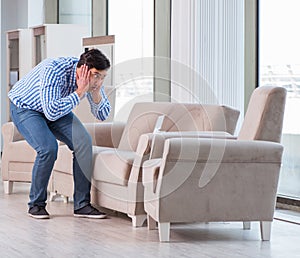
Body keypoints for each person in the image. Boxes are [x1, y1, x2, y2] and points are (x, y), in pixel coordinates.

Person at [8, 49, 111, 219]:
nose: (98, 81)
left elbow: (102, 115)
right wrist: (79, 92)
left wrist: (96, 92)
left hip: (55, 108)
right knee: (48, 148)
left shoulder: (94, 81)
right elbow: (51, 112)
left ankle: (82, 205)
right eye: (96, 76)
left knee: (83, 141)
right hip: (26, 108)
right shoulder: (54, 70)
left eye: (103, 77)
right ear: (83, 70)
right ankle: (36, 204)